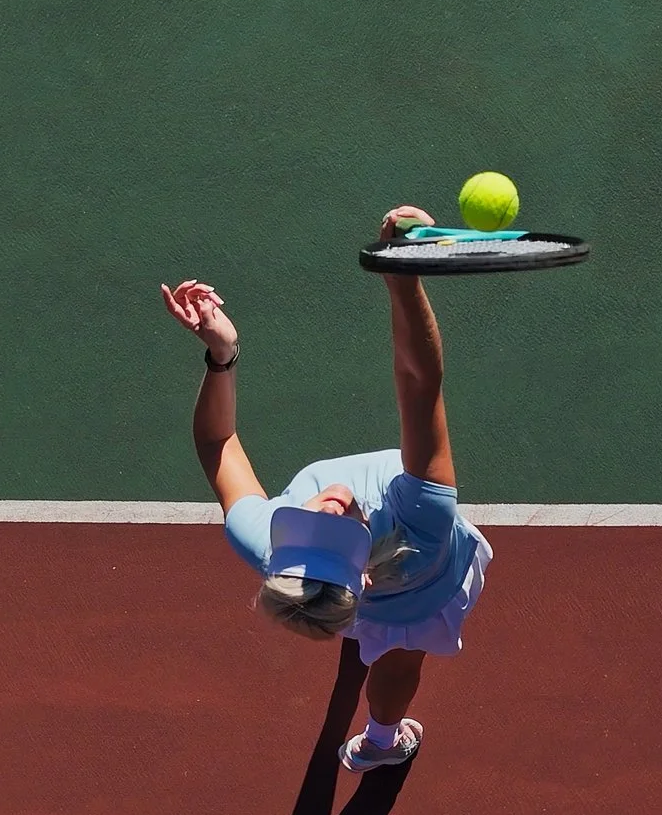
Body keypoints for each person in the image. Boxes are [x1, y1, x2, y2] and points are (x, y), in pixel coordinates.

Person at [160, 205, 493, 773]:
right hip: (423, 591)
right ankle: (383, 742)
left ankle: (351, 642)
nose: (330, 506)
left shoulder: (267, 539)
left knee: (370, 637)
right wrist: (401, 277)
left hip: (357, 601)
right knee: (399, 658)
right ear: (361, 573)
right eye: (340, 534)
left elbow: (218, 443)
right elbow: (420, 381)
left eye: (312, 524)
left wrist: (222, 355)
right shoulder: (421, 524)